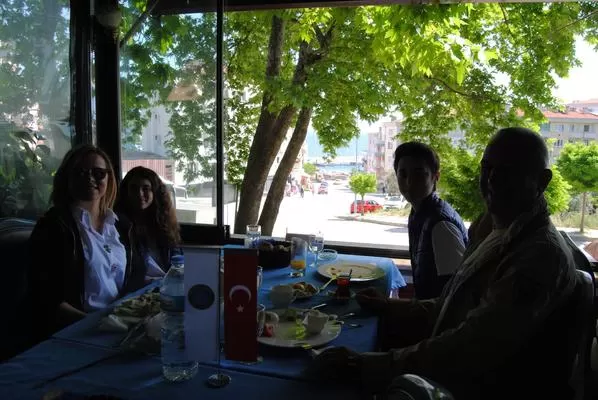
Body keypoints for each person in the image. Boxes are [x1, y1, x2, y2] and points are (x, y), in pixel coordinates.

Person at [313, 128, 578, 400]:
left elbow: (473, 347)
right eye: (487, 167)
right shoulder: (494, 226)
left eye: (509, 170)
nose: (492, 179)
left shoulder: (538, 256)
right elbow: (452, 303)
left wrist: (365, 365)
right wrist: (390, 306)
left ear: (542, 181)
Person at [27, 145, 133, 341]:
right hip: (77, 331)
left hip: (118, 324)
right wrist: (94, 325)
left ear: (109, 178)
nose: (90, 178)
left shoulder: (120, 225)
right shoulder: (53, 227)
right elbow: (46, 298)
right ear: (66, 178)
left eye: (98, 173)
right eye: (80, 172)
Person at [394, 142, 468, 299]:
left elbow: (456, 296)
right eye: (403, 174)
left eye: (419, 174)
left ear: (436, 177)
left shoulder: (441, 226)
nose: (409, 182)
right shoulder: (420, 212)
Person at [114, 166, 181, 292]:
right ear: (126, 192)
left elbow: (176, 258)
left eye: (146, 188)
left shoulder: (164, 224)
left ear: (155, 193)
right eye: (134, 188)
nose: (140, 194)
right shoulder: (117, 226)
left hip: (167, 287)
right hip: (139, 291)